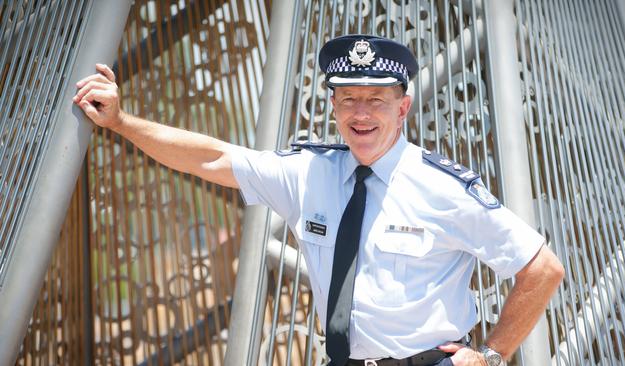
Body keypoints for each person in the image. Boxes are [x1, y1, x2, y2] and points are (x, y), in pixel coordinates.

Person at [73, 34, 564, 366]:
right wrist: (120, 122)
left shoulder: (442, 187)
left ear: (404, 107)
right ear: (332, 106)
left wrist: (494, 356)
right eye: (348, 98)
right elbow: (211, 159)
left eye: (377, 99)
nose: (362, 112)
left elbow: (542, 269)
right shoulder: (309, 174)